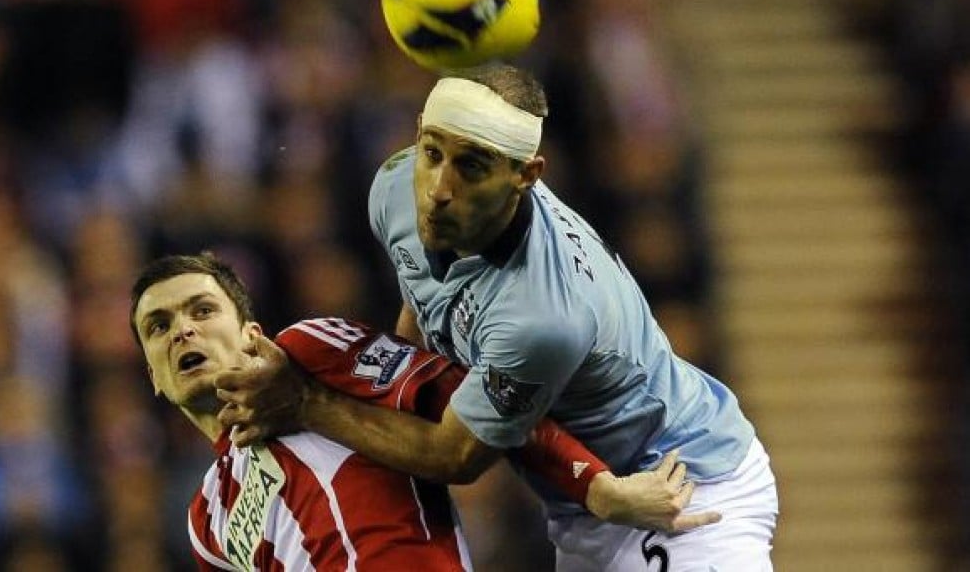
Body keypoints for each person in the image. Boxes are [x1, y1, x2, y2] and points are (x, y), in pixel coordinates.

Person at [215, 63, 778, 570]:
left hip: (679, 487)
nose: (439, 189)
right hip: (586, 508)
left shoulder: (541, 316)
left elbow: (455, 455)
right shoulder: (393, 188)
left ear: (526, 175)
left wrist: (307, 402)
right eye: (432, 153)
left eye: (471, 167)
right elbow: (426, 327)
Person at [130, 252, 710, 571]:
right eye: (159, 327)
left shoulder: (309, 353)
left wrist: (595, 486)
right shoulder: (207, 519)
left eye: (202, 310)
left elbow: (485, 401)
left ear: (251, 333)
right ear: (154, 377)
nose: (183, 330)